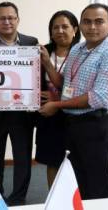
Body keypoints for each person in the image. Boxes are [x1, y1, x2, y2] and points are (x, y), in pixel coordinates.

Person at [39, 3, 108, 199]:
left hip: (96, 125)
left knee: (97, 183)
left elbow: (97, 97)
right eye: (87, 22)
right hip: (73, 125)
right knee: (78, 181)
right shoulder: (77, 49)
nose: (92, 27)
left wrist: (57, 105)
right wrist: (47, 63)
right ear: (80, 25)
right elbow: (66, 84)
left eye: (99, 22)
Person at [0, 1, 38, 206]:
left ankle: (18, 198)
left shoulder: (31, 42)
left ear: (18, 20)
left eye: (11, 17)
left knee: (23, 158)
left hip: (22, 113)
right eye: (2, 18)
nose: (7, 22)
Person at [35, 10, 80, 189]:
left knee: (75, 161)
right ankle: (54, 199)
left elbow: (76, 87)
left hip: (74, 115)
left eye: (65, 26)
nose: (60, 31)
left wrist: (47, 64)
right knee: (52, 160)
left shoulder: (82, 53)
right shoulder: (44, 51)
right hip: (49, 115)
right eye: (55, 27)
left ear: (75, 29)